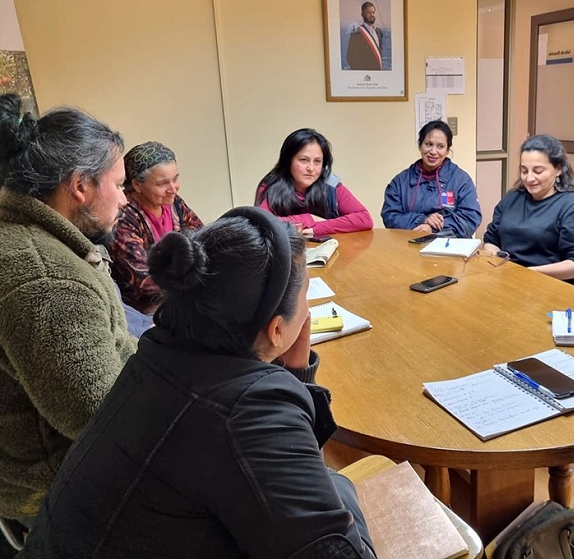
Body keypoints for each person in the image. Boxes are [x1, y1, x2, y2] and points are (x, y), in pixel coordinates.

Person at [20, 207, 377, 558]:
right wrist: (340, 485)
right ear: (277, 328)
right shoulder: (249, 411)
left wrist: (294, 371)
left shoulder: (157, 355)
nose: (307, 310)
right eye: (305, 297)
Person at [0, 93, 136, 526]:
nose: (125, 199)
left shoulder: (30, 238)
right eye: (119, 184)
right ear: (80, 186)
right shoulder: (49, 280)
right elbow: (102, 417)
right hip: (57, 494)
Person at [483, 135, 574, 289]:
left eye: (538, 171)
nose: (529, 178)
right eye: (524, 171)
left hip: (550, 287)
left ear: (558, 169)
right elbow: (491, 238)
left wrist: (528, 273)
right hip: (508, 280)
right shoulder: (513, 198)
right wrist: (497, 262)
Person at [107, 141, 203, 314]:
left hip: (181, 289)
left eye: (175, 179)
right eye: (162, 184)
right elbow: (142, 280)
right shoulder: (124, 217)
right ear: (137, 185)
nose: (173, 189)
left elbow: (202, 238)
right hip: (146, 307)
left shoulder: (175, 204)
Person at [255, 128, 373, 237]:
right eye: (304, 160)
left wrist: (316, 229)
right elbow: (262, 224)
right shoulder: (270, 186)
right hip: (284, 254)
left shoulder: (330, 185)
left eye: (317, 161)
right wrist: (308, 218)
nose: (311, 168)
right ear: (288, 160)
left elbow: (364, 219)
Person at [381, 120, 482, 238]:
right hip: (409, 246)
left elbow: (470, 220)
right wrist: (423, 220)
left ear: (447, 150)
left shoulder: (461, 180)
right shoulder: (399, 182)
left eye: (440, 146)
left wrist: (433, 228)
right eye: (428, 144)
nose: (433, 152)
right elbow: (390, 217)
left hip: (451, 250)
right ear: (420, 145)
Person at [346, 1, 384, 71]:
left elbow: (379, 54)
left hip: (377, 75)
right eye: (368, 12)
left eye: (373, 12)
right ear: (362, 14)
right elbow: (350, 57)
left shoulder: (379, 32)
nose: (371, 15)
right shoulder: (356, 34)